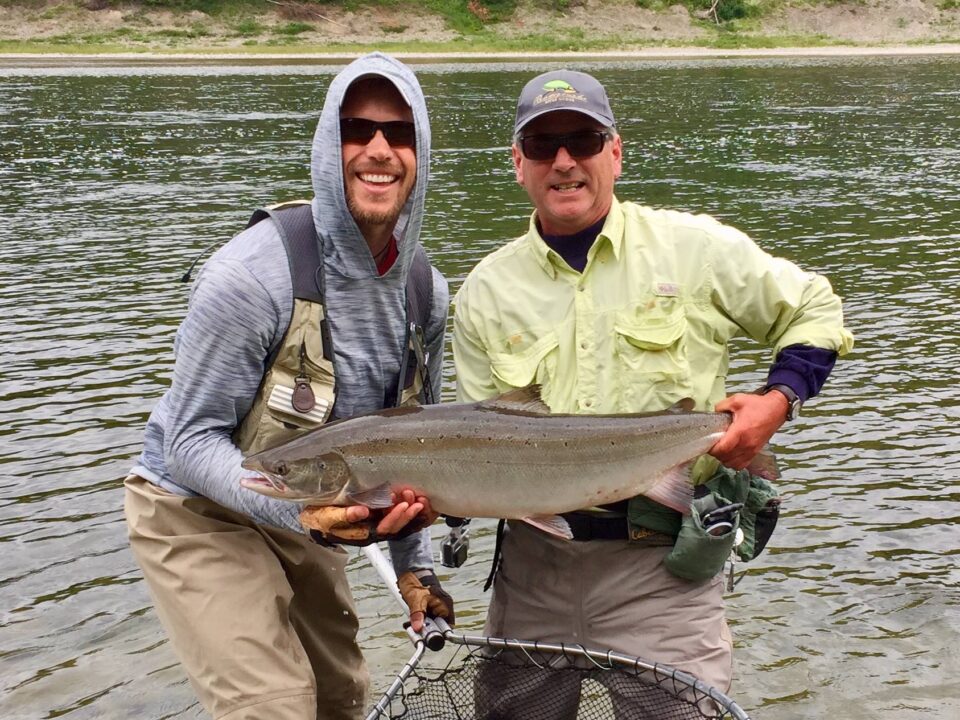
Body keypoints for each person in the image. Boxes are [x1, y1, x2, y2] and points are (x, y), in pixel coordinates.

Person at [452, 69, 854, 712]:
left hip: (663, 571)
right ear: (517, 163)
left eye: (582, 140)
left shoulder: (695, 249)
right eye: (542, 144)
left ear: (615, 152)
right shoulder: (483, 292)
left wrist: (777, 402)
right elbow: (479, 440)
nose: (563, 161)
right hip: (530, 578)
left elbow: (815, 309)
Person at [124, 53, 453, 720]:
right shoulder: (248, 278)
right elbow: (189, 441)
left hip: (308, 504)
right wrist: (301, 514)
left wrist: (416, 568)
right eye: (356, 130)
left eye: (399, 133)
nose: (379, 150)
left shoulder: (426, 292)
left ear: (421, 153)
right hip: (195, 509)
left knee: (340, 699)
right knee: (273, 706)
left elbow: (416, 449)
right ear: (329, 148)